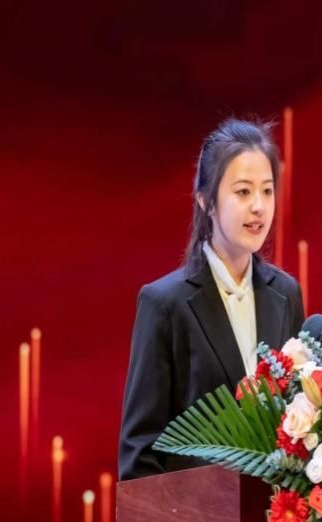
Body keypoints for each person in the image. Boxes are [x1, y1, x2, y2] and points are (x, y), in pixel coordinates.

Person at [118, 118, 305, 481]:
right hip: (194, 512)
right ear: (206, 200)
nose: (259, 207)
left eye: (267, 191)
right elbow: (139, 454)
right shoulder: (165, 304)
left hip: (274, 511)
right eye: (243, 192)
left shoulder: (286, 294)